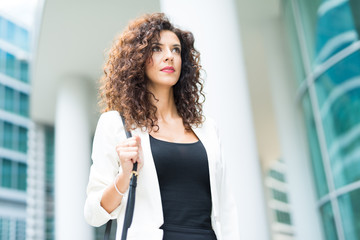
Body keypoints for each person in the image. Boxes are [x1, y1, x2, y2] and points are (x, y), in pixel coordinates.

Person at [84, 13, 239, 240]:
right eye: (157, 48)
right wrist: (124, 176)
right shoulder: (116, 124)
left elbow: (226, 207)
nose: (169, 57)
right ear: (137, 58)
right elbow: (93, 214)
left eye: (176, 50)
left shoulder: (207, 128)